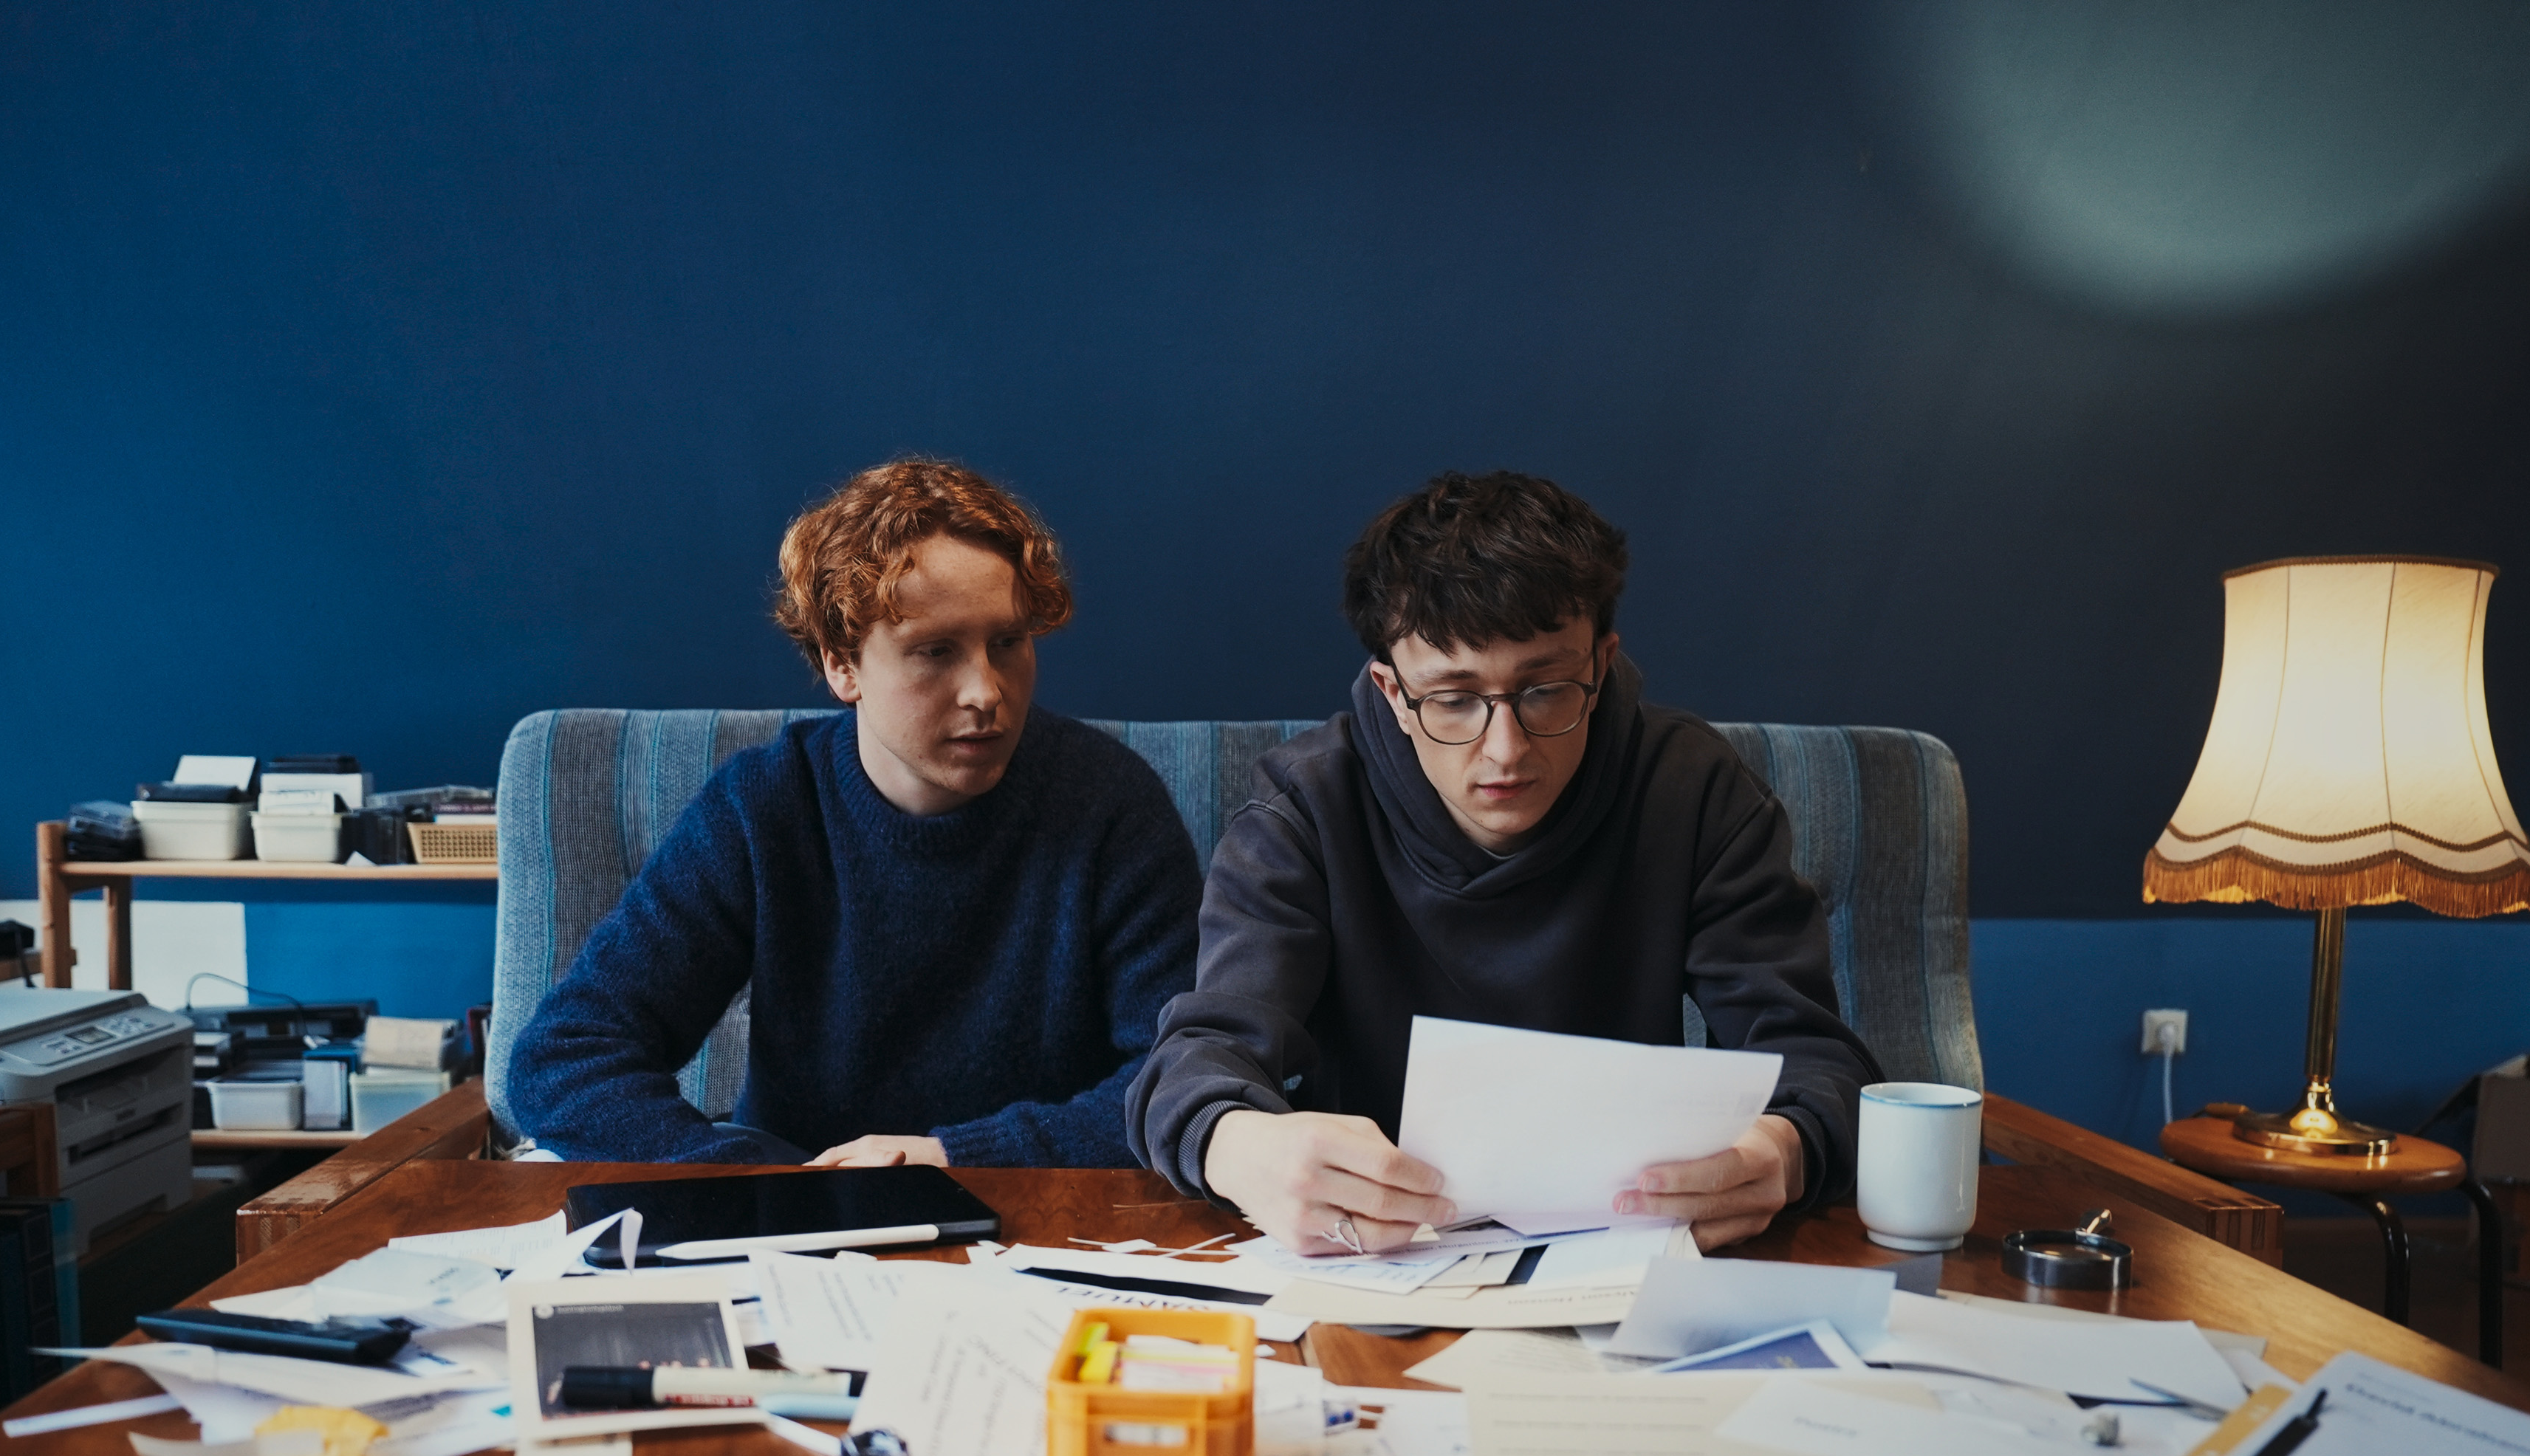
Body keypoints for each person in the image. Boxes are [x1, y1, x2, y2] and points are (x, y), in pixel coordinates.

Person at [1126, 470, 1879, 1251]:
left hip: (1624, 1241)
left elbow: (1817, 1062)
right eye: (1453, 699)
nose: (1505, 751)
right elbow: (1194, 1062)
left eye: (1545, 689)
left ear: (1600, 661)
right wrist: (1238, 1145)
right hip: (1381, 1252)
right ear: (1390, 692)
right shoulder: (1303, 811)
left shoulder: (1693, 790)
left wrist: (1780, 1153)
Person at [509, 459, 1202, 1168]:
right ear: (843, 665)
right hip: (798, 1226)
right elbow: (565, 1060)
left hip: (1043, 1223)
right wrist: (754, 1180)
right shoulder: (764, 808)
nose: (985, 692)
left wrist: (950, 1156)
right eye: (934, 652)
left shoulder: (1107, 801)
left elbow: (1183, 1079)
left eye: (1007, 643)